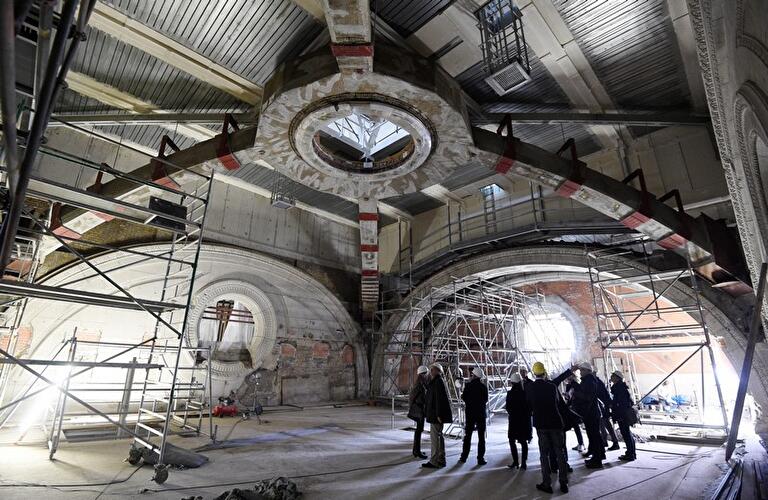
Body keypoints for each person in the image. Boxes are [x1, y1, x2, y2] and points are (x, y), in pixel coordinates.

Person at [526, 361, 569, 494]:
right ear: (544, 373)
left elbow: (529, 406)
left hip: (541, 424)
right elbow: (557, 402)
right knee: (559, 453)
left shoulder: (530, 388)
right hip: (555, 423)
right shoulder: (552, 387)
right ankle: (563, 482)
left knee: (544, 454)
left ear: (534, 374)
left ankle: (547, 483)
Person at [557, 362, 605, 469]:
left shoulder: (591, 381)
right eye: (580, 370)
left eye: (583, 370)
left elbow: (587, 397)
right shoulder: (587, 381)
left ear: (588, 371)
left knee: (594, 436)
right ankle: (598, 456)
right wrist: (575, 386)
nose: (581, 372)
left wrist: (575, 392)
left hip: (591, 413)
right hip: (589, 413)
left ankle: (597, 460)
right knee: (593, 436)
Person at [422, 363, 452, 469]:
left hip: (436, 415)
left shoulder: (438, 381)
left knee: (435, 439)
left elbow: (439, 399)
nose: (430, 371)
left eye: (432, 370)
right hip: (435, 414)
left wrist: (439, 414)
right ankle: (441, 459)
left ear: (438, 371)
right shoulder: (436, 381)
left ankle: (434, 461)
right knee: (439, 438)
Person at [459, 366, 489, 465]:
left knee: (468, 436)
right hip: (481, 414)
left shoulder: (468, 386)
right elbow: (485, 400)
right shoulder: (483, 387)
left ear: (474, 375)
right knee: (481, 437)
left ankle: (464, 457)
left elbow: (464, 398)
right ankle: (480, 459)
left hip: (470, 414)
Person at [505, 372, 531, 469]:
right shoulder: (525, 393)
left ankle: (515, 461)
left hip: (514, 421)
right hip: (524, 421)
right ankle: (524, 463)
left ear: (511, 382)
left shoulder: (510, 394)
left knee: (512, 441)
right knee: (523, 442)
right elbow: (529, 407)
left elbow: (508, 408)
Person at [610, 370, 637, 462]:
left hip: (623, 415)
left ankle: (630, 454)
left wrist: (619, 415)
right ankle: (631, 453)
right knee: (627, 433)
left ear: (617, 378)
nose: (611, 377)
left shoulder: (620, 388)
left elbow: (622, 404)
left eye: (613, 376)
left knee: (626, 434)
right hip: (623, 414)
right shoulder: (620, 387)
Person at [408, 365, 429, 459]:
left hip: (420, 410)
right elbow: (412, 398)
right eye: (426, 373)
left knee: (419, 431)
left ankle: (416, 450)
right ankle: (417, 451)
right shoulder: (419, 385)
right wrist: (413, 408)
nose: (427, 375)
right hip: (418, 411)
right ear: (422, 374)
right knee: (418, 431)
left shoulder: (422, 384)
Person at [596, 374, 620, 451]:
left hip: (604, 405)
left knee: (606, 423)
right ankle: (605, 441)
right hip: (602, 405)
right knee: (602, 423)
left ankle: (615, 442)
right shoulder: (597, 382)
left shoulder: (596, 382)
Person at [564, 374, 586, 452]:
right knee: (575, 427)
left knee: (575, 426)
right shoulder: (568, 386)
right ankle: (581, 443)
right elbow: (568, 398)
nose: (568, 379)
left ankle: (581, 444)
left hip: (575, 409)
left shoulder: (576, 385)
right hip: (571, 408)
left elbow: (578, 397)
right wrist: (567, 396)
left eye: (569, 377)